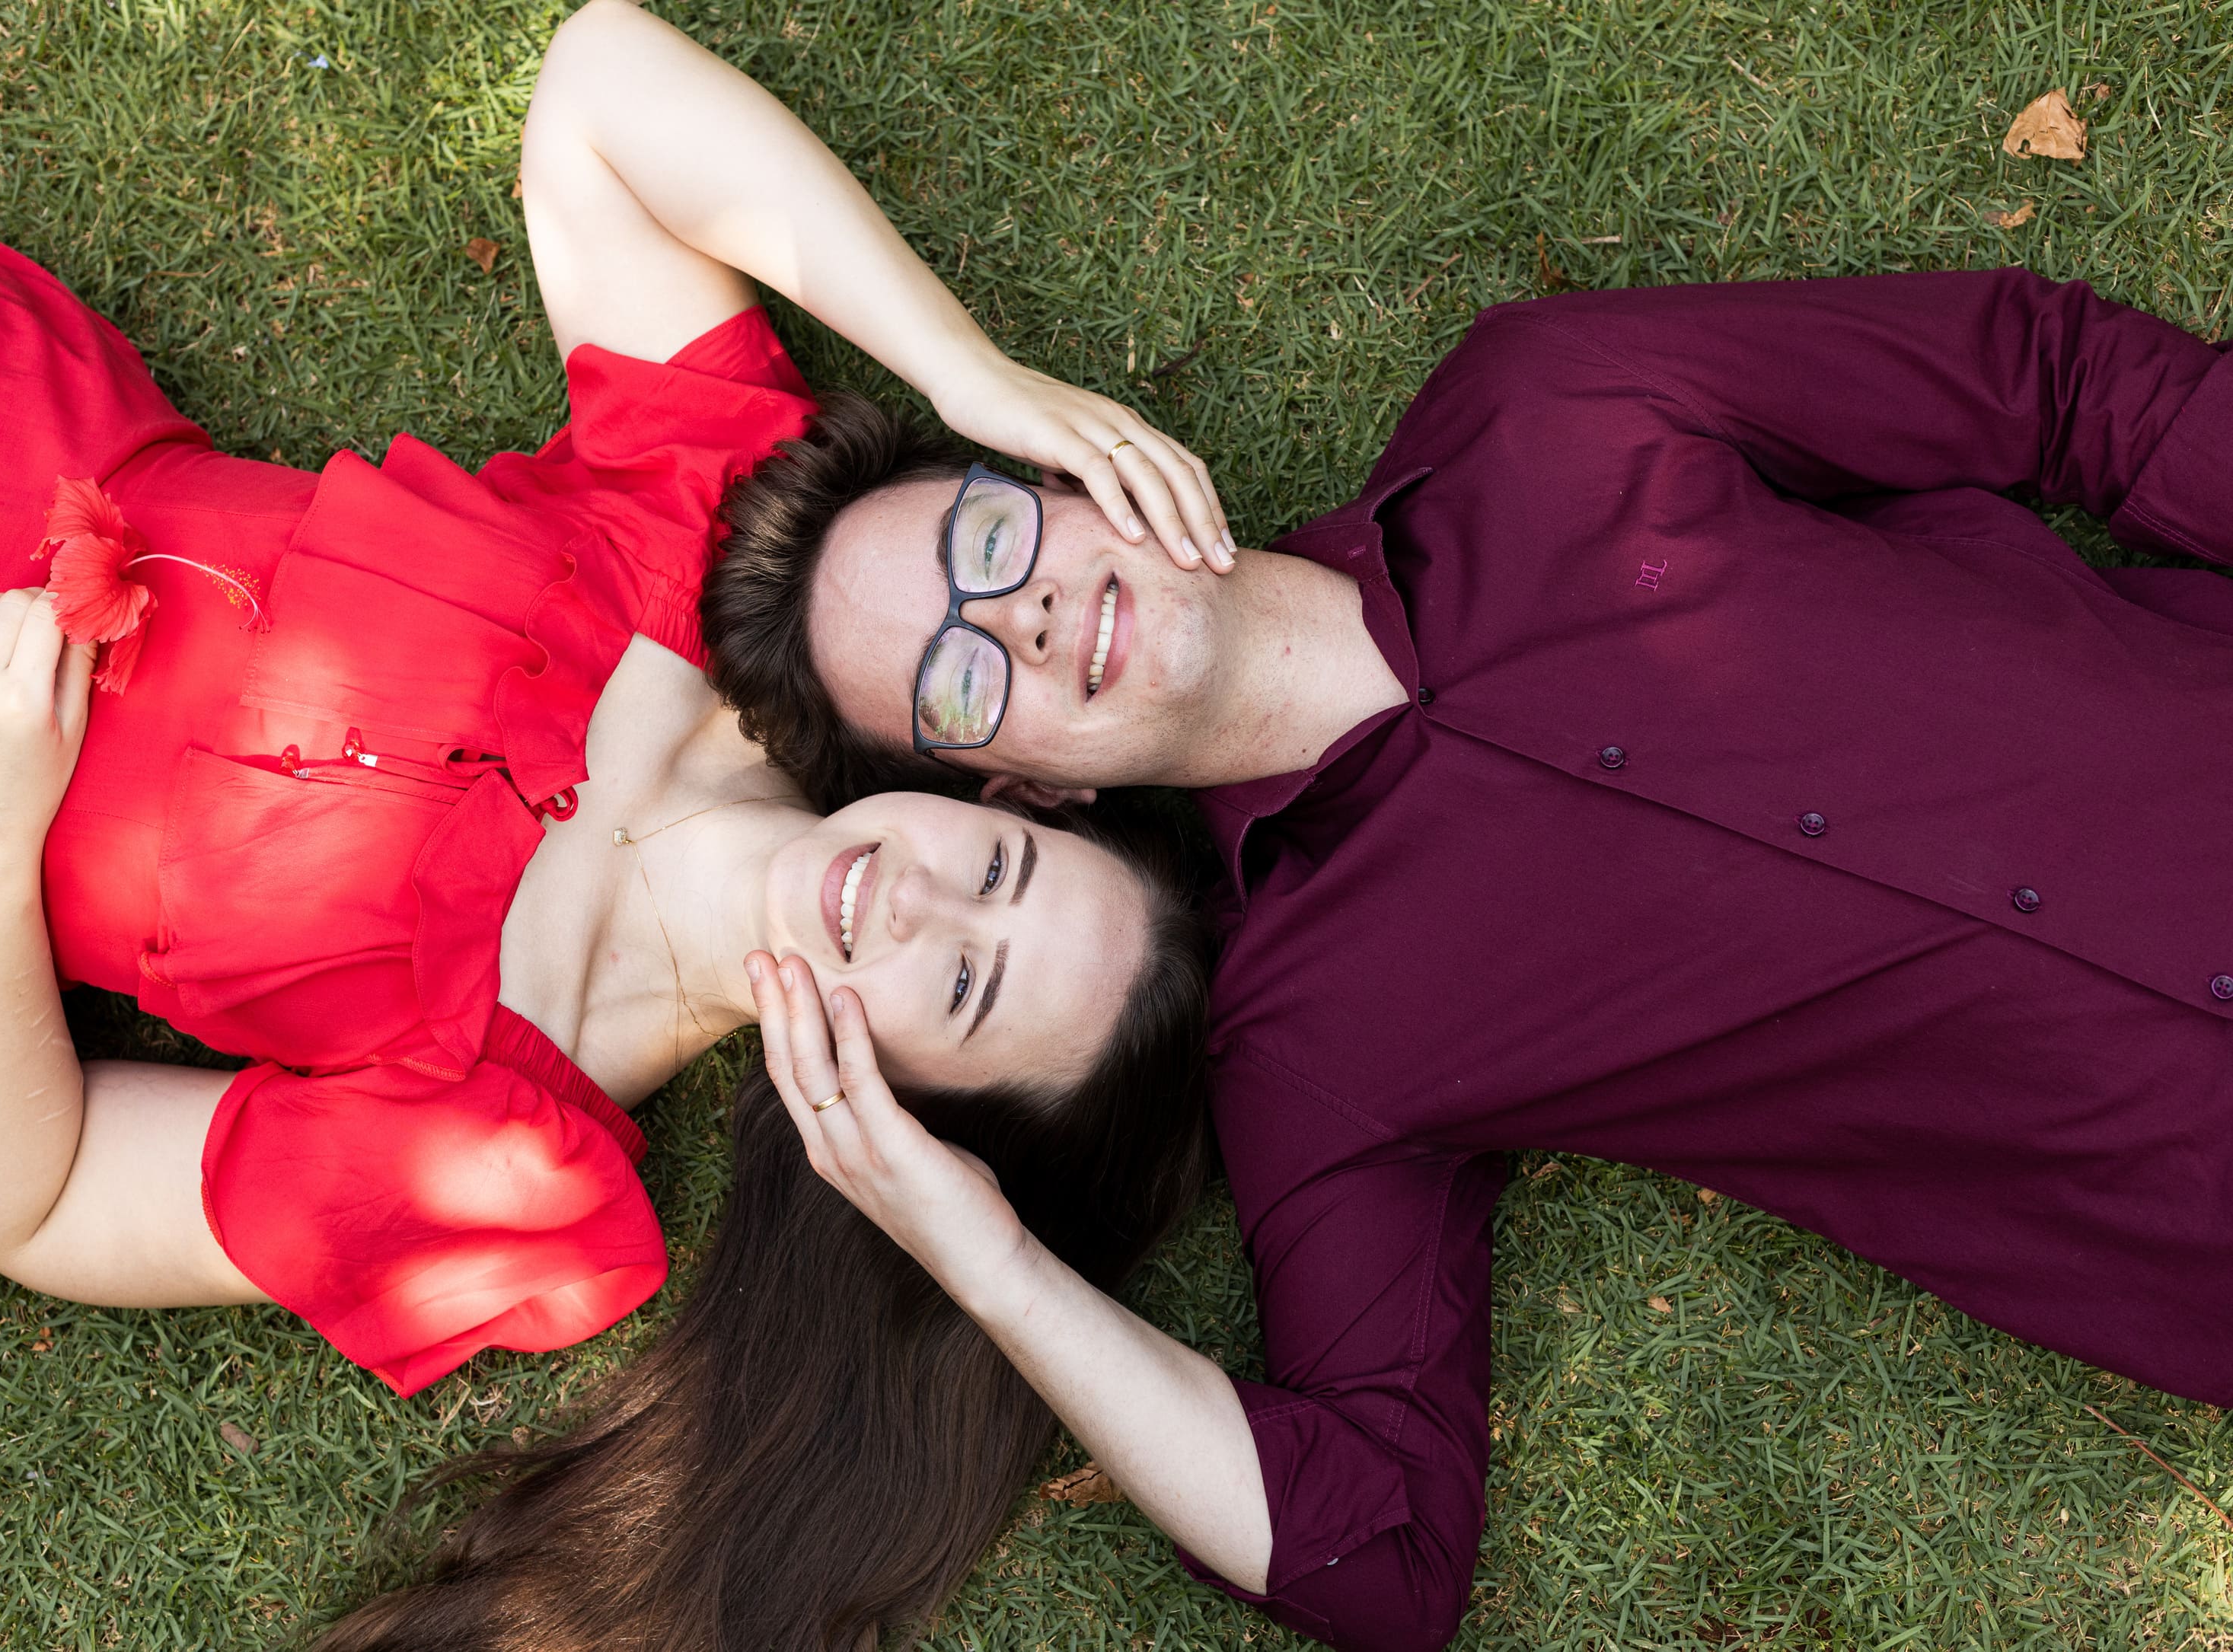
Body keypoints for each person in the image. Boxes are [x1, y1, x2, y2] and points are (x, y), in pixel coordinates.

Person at [705, 254, 2233, 1646]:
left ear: (1066, 473)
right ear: (1024, 790)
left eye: (986, 541)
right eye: (956, 683)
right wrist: (989, 1262)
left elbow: (2049, 379)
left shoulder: (1548, 405)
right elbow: (1378, 1554)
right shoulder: (1310, 1049)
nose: (1020, 619)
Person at [0, 0, 1230, 1401]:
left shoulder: (507, 1167)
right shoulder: (718, 570)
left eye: (964, 986)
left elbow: (35, 1196)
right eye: (998, 869)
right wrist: (970, 374)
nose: (919, 901)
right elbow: (600, 86)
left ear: (905, 1107)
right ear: (1000, 799)